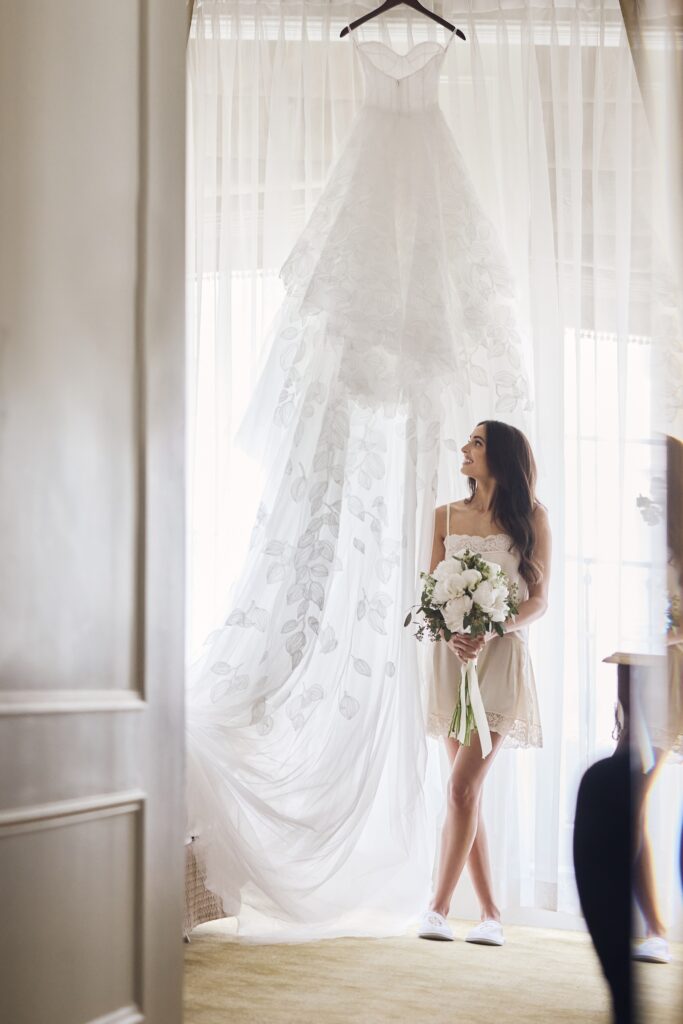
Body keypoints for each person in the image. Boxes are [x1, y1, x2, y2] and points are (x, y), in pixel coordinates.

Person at [418, 420, 551, 945]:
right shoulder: (444, 516)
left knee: (460, 786)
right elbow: (431, 590)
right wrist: (454, 632)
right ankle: (492, 914)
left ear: (501, 455)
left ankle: (437, 906)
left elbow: (539, 601)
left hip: (500, 660)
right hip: (451, 660)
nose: (465, 448)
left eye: (476, 442)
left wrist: (492, 625)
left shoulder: (532, 517)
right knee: (463, 793)